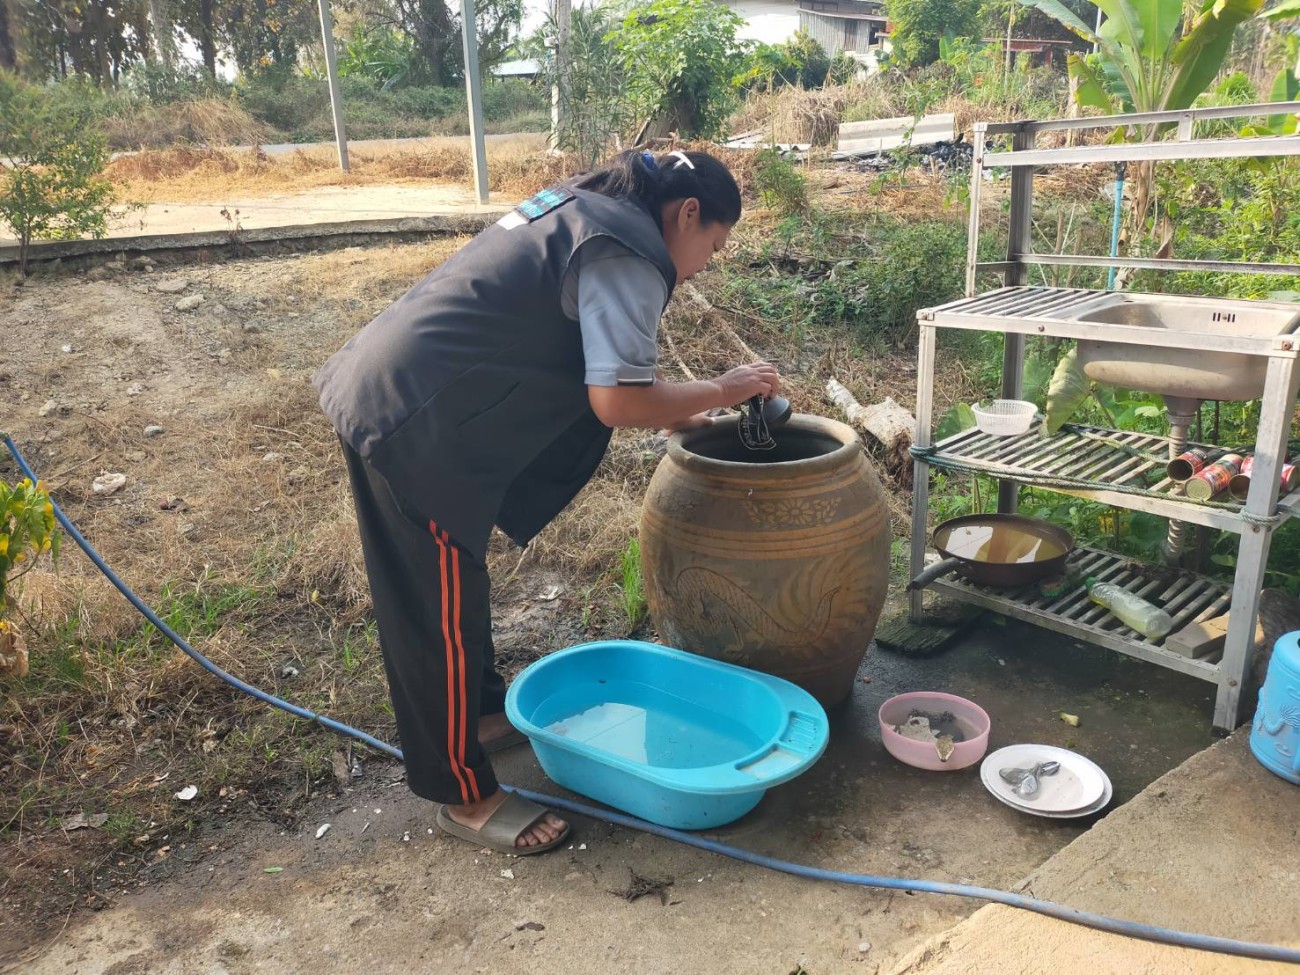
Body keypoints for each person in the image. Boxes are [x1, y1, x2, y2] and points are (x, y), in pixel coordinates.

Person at [313, 149, 782, 855]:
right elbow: (618, 399)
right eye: (712, 247)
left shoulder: (592, 208)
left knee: (453, 582)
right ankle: (463, 796)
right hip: (413, 420)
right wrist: (724, 387)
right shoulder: (628, 247)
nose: (703, 267)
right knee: (432, 609)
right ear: (688, 214)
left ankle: (478, 716)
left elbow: (600, 364)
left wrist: (684, 411)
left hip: (410, 390)